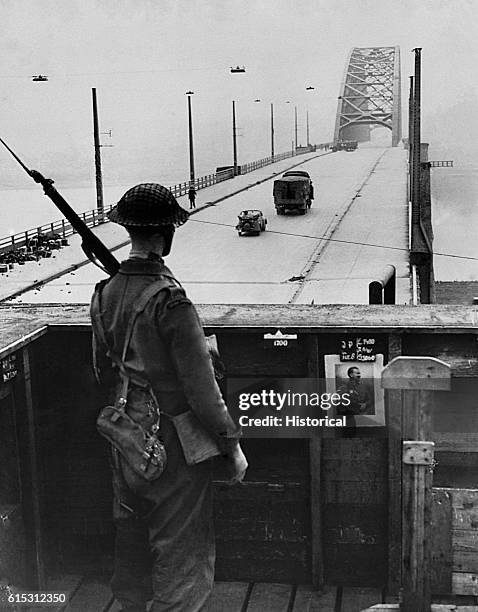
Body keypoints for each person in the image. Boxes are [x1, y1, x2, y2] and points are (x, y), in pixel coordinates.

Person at [90, 183, 247, 612]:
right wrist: (230, 449)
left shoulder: (104, 293)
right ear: (166, 234)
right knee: (182, 549)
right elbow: (203, 392)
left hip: (124, 430)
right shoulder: (170, 301)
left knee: (131, 529)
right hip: (172, 438)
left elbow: (103, 368)